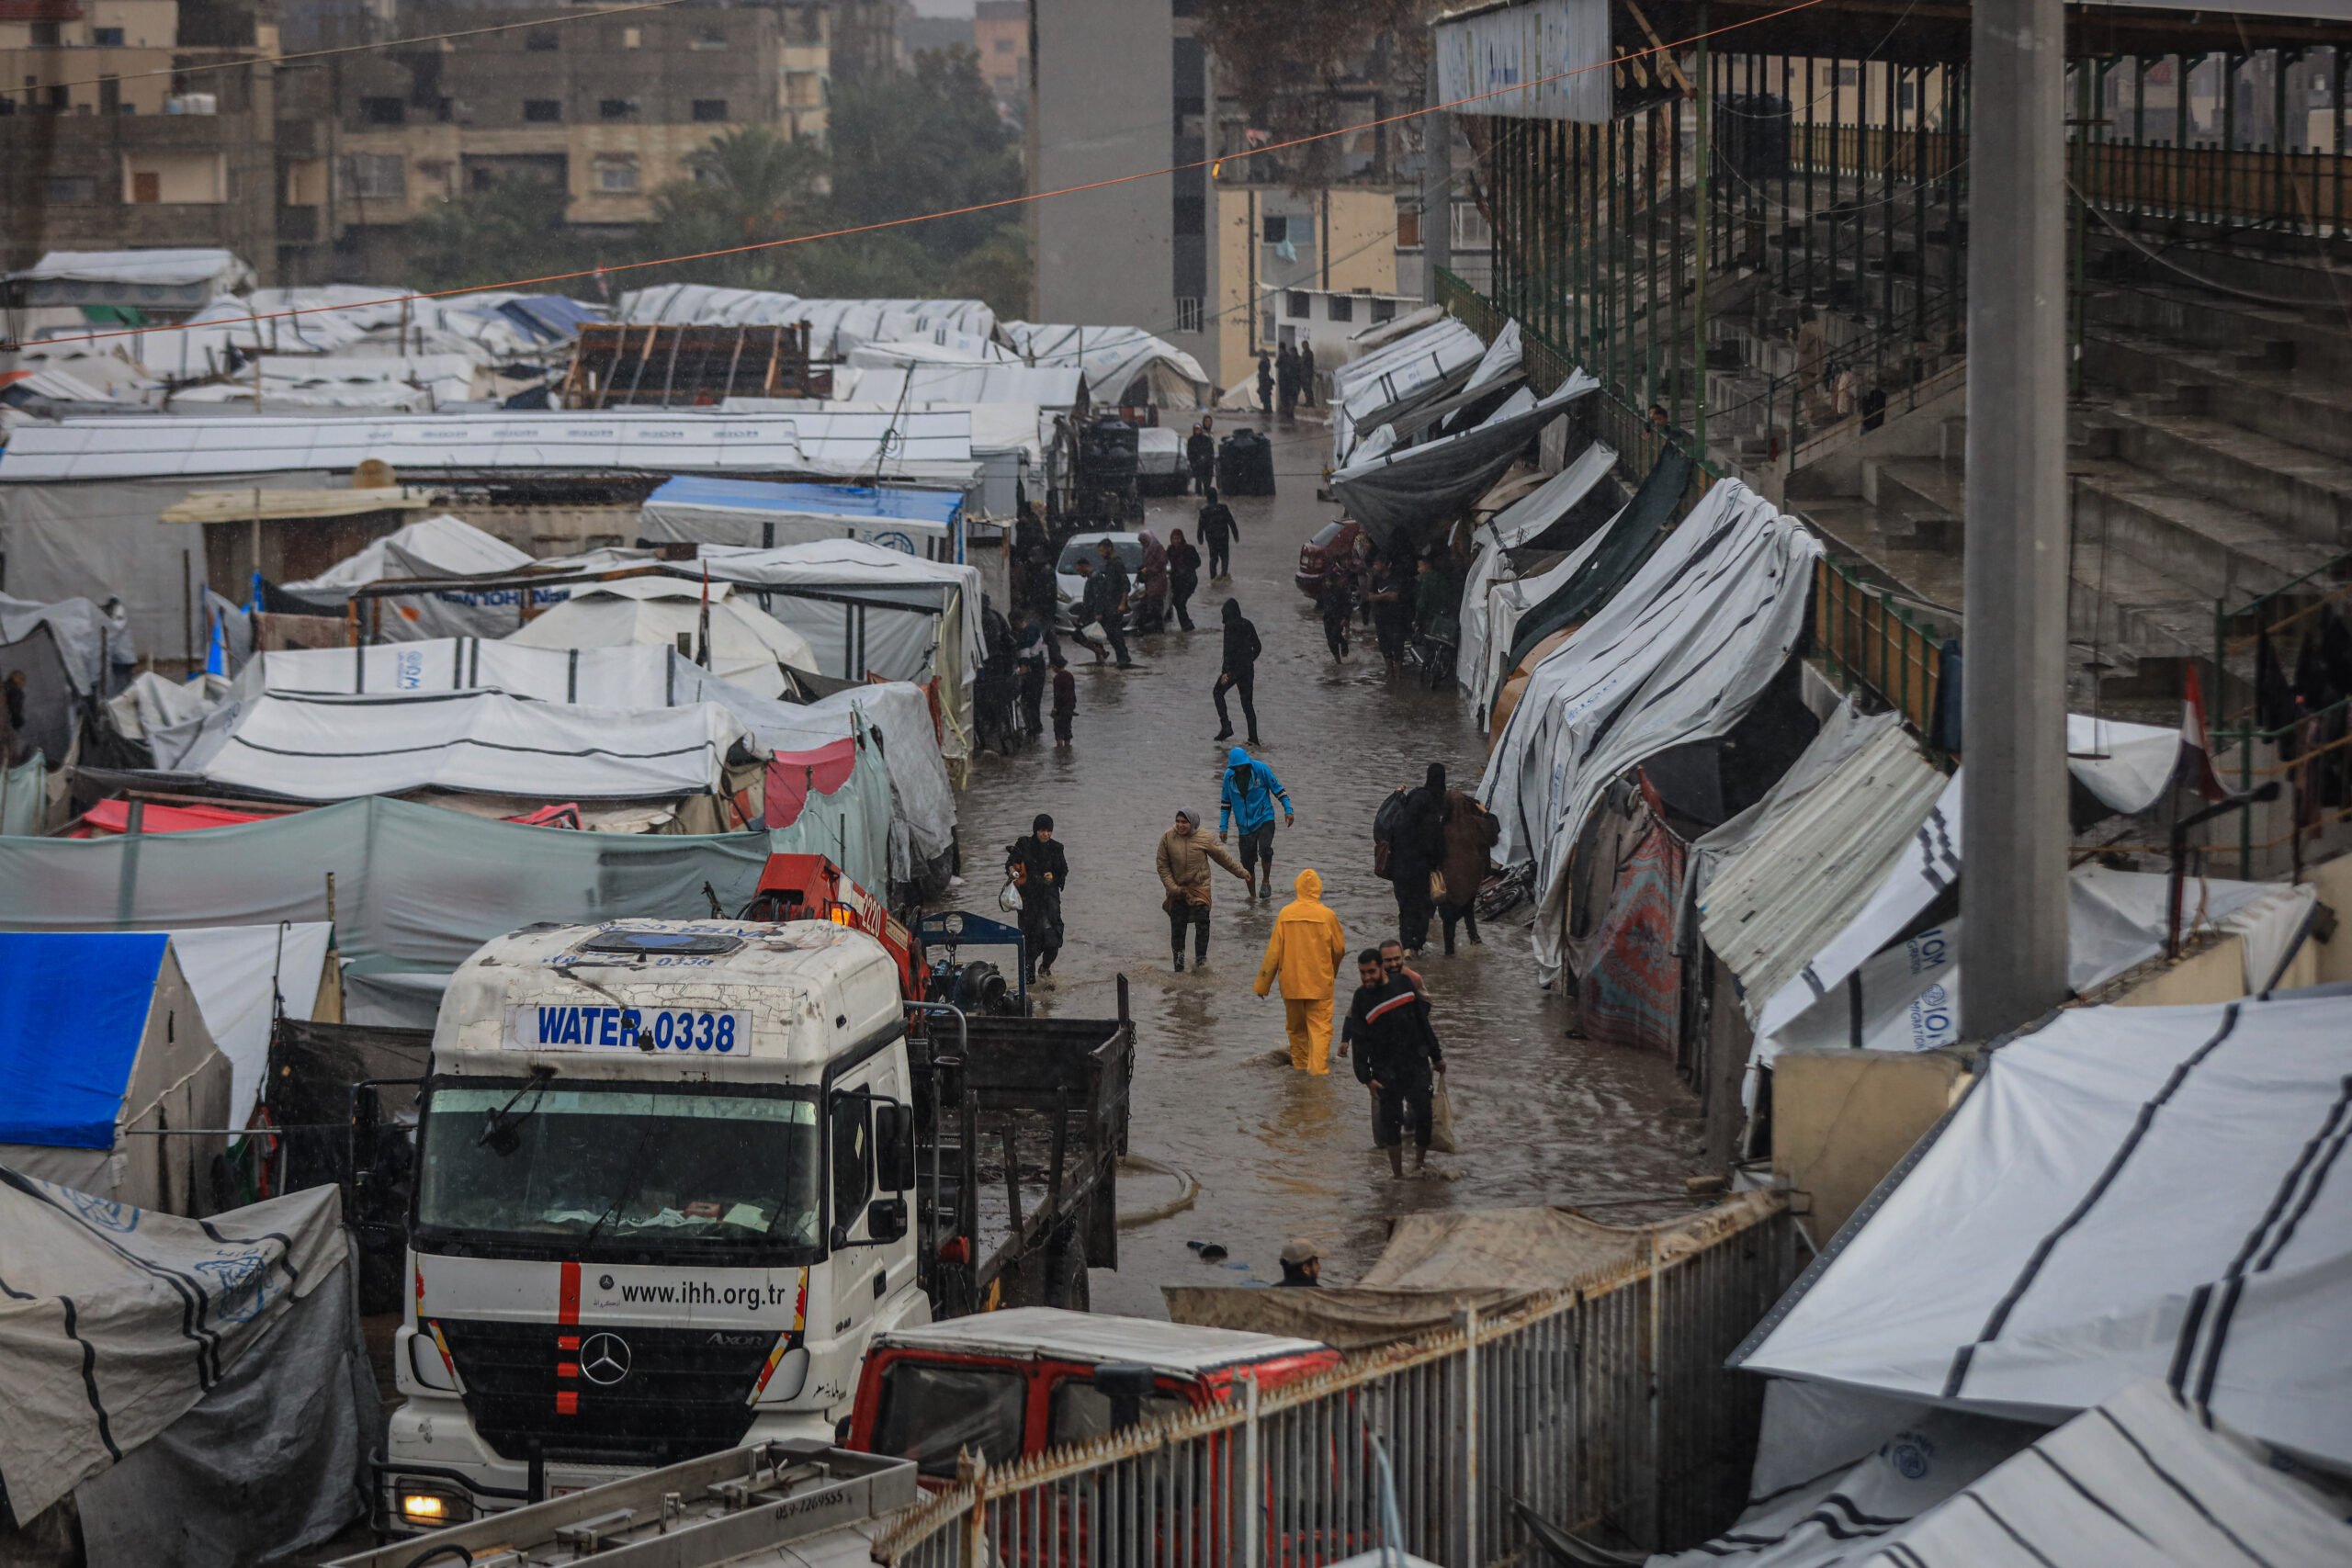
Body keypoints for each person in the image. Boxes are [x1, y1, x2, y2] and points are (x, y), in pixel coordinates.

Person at [1347, 948, 1444, 1177]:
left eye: (1371, 971)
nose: (1367, 978)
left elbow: (1422, 1023)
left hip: (1416, 1063)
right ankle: (1397, 1176)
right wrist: (1366, 1078)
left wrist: (1436, 1055)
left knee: (1424, 1117)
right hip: (1385, 1071)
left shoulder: (1404, 984)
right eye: (1362, 973)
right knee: (1391, 1125)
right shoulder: (1361, 999)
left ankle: (1419, 1166)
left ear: (1382, 967)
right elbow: (1359, 1041)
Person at [1253, 869, 1348, 1075]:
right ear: (1318, 889)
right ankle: (1317, 1073)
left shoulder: (1286, 914)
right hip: (1320, 983)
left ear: (1297, 887)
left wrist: (1263, 985)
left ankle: (1300, 1069)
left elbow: (1273, 953)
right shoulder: (1327, 915)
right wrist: (1332, 971)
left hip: (1291, 983)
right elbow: (1339, 949)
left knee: (1296, 1031)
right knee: (1320, 1030)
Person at [1157, 806, 1252, 972]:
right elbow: (1162, 866)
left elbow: (1223, 858)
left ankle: (1200, 961)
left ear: (1192, 822)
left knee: (1203, 922)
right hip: (1177, 889)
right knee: (1178, 927)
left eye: (1184, 822)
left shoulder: (1204, 837)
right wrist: (1172, 888)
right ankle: (1178, 966)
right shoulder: (1167, 838)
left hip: (1200, 887)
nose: (1180, 825)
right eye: (1178, 822)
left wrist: (1242, 872)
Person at [1389, 763, 1451, 953]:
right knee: (1422, 908)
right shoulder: (1436, 806)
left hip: (1401, 866)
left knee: (1405, 907)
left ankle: (1407, 947)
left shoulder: (1412, 801)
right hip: (1423, 869)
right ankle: (1416, 946)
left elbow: (1396, 832)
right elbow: (1437, 844)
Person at [1219, 744, 1292, 899]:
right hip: (1244, 826)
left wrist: (1288, 810)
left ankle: (1266, 881)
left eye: (1242, 766)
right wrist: (1223, 827)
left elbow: (1278, 790)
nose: (1240, 769)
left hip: (1264, 817)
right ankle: (1252, 898)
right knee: (1247, 863)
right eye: (1236, 767)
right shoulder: (1229, 777)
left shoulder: (1261, 769)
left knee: (1265, 848)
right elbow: (1226, 803)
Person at [1007, 815, 1069, 983]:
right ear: (1036, 830)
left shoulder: (1057, 848)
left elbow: (1063, 871)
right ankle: (1029, 988)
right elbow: (1012, 862)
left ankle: (1045, 968)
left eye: (1049, 831)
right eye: (1043, 830)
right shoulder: (1024, 845)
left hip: (1050, 902)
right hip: (1029, 902)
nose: (1046, 834)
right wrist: (1012, 871)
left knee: (1053, 940)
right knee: (1031, 943)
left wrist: (1053, 877)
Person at [1214, 598, 1262, 746]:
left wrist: (1225, 672)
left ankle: (1226, 726)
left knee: (1217, 692)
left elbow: (1228, 651)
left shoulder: (1230, 626)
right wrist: (1248, 661)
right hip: (1247, 670)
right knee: (1247, 704)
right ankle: (1253, 739)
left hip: (1233, 671)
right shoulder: (1247, 624)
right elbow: (1258, 647)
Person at [1367, 557, 1410, 674]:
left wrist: (1379, 597)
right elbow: (1370, 597)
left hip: (1395, 617)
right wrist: (1386, 595)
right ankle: (1389, 673)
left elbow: (1395, 597)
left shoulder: (1395, 578)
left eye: (1377, 563)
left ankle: (1398, 675)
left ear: (1385, 564)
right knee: (1384, 645)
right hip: (1380, 617)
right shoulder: (1375, 579)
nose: (1375, 566)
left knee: (1397, 646)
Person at [1012, 607, 1048, 737]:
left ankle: (1032, 727)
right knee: (1035, 699)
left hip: (1032, 670)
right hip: (1040, 667)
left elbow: (1024, 662)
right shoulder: (1035, 628)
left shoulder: (1023, 636)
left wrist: (1018, 672)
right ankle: (1036, 726)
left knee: (1028, 700)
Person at [1197, 488, 1238, 581]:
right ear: (1216, 497)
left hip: (1211, 538)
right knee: (1225, 556)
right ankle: (1223, 575)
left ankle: (1213, 577)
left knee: (1213, 557)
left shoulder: (1204, 511)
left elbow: (1200, 526)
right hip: (1223, 536)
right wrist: (1236, 535)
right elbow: (1231, 522)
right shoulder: (1223, 508)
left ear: (1207, 498)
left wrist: (1200, 539)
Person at [1136, 529, 1170, 635]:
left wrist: (1149, 569)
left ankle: (1155, 629)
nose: (1143, 544)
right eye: (1141, 542)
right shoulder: (1145, 549)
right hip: (1149, 582)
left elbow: (1162, 562)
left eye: (1144, 541)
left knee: (1154, 604)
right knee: (1151, 605)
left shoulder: (1157, 548)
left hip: (1158, 582)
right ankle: (1154, 629)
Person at [1166, 528, 1202, 631]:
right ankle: (1186, 624)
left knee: (1180, 602)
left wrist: (1187, 569)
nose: (1176, 541)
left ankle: (1186, 626)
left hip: (1189, 581)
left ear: (1182, 538)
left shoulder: (1189, 549)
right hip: (1177, 581)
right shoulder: (1170, 549)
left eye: (1178, 538)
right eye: (1173, 538)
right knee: (1176, 601)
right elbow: (1164, 560)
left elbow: (1198, 562)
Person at [1317, 567, 1352, 660]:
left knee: (1335, 636)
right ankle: (1338, 663)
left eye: (1329, 581)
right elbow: (1320, 604)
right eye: (1326, 581)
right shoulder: (1324, 592)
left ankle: (1344, 643)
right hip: (1327, 619)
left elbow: (1348, 605)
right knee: (1330, 642)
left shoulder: (1340, 591)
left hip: (1338, 618)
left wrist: (1346, 618)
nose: (1328, 583)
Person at [1051, 657, 1077, 748]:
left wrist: (1055, 709)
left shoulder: (1057, 678)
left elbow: (1057, 696)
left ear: (1055, 667)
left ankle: (1060, 751)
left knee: (1058, 729)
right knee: (1067, 728)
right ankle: (1067, 750)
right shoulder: (1070, 676)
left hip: (1061, 708)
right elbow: (1072, 692)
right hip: (1070, 707)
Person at [1186, 421, 1216, 496]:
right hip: (1196, 465)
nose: (1197, 431)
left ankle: (1206, 496)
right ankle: (1198, 496)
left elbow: (1211, 451)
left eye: (1199, 429)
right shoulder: (1191, 440)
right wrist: (1194, 462)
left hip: (1207, 465)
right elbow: (1190, 453)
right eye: (1196, 429)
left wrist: (1207, 459)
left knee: (1207, 483)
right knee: (1198, 482)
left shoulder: (1206, 439)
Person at [1275, 343, 1298, 419]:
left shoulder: (1282, 355)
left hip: (1284, 378)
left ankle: (1287, 411)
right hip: (1289, 379)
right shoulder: (1289, 356)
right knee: (1289, 396)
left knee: (1284, 396)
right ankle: (1289, 411)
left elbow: (1277, 364)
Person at [1256, 352, 1274, 422]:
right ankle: (1266, 408)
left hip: (1264, 380)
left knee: (1265, 394)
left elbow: (1264, 370)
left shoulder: (1264, 361)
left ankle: (1267, 408)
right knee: (1264, 393)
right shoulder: (1266, 361)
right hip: (1264, 379)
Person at [1297, 340, 1317, 409]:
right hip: (1304, 373)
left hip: (1307, 373)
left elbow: (1303, 361)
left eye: (1304, 345)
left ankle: (1310, 402)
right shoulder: (1305, 353)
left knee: (1308, 388)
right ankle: (1308, 401)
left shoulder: (1309, 353)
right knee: (1306, 388)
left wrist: (1299, 360)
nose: (1303, 347)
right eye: (1303, 345)